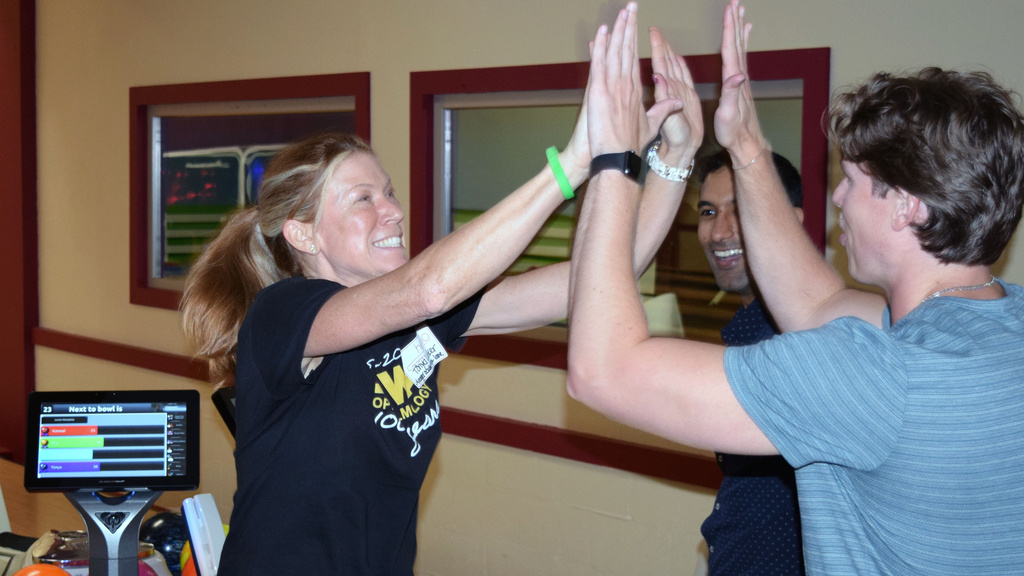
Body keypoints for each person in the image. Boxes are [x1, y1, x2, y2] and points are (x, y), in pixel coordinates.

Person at [179, 17, 704, 574]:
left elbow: (599, 279)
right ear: (303, 234)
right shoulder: (282, 315)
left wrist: (674, 159)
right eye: (364, 199)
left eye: (389, 192)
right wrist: (576, 160)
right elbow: (427, 289)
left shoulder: (419, 320)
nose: (393, 211)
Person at [567, 1, 1024, 574]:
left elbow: (601, 372)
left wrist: (616, 157)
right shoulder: (1003, 323)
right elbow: (816, 302)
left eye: (854, 182)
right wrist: (746, 145)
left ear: (906, 206)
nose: (836, 198)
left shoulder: (878, 381)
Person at [694, 149, 805, 576]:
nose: (719, 232)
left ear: (791, 221)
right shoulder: (745, 330)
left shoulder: (798, 340)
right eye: (708, 211)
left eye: (738, 210)